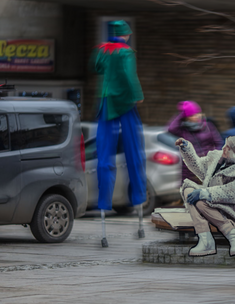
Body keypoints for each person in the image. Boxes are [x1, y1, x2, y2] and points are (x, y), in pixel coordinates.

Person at [90, 20, 146, 247]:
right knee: (134, 155)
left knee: (104, 158)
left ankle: (103, 203)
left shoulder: (101, 51)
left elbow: (95, 68)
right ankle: (138, 199)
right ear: (125, 35)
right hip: (125, 105)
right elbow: (128, 75)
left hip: (106, 104)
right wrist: (137, 94)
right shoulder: (126, 53)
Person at [174, 135, 235, 257]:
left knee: (200, 201)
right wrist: (187, 149)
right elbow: (198, 167)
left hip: (231, 207)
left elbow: (230, 192)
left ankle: (232, 236)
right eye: (225, 144)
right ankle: (206, 238)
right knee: (188, 191)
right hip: (211, 202)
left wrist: (205, 193)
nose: (223, 148)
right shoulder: (218, 157)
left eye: (228, 148)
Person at [168, 101, 223, 185]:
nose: (197, 116)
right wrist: (182, 113)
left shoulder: (208, 126)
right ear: (187, 117)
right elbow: (171, 129)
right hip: (190, 172)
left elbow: (219, 142)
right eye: (193, 114)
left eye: (198, 113)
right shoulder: (183, 130)